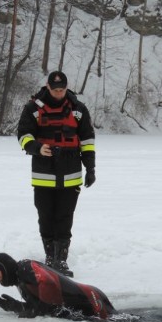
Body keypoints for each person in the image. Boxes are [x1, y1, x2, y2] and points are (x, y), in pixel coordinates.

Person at [16, 71, 97, 277]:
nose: (59, 93)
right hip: (43, 173)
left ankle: (60, 261)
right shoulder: (33, 108)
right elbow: (23, 135)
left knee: (64, 218)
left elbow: (87, 140)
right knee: (45, 217)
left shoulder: (78, 109)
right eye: (55, 90)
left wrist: (90, 168)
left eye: (62, 90)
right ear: (48, 87)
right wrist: (36, 147)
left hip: (71, 173)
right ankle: (49, 257)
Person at [0, 252, 116, 321]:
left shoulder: (25, 268)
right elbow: (43, 305)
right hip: (87, 301)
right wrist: (17, 306)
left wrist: (37, 311)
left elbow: (48, 283)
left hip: (91, 299)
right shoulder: (20, 281)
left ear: (6, 267)